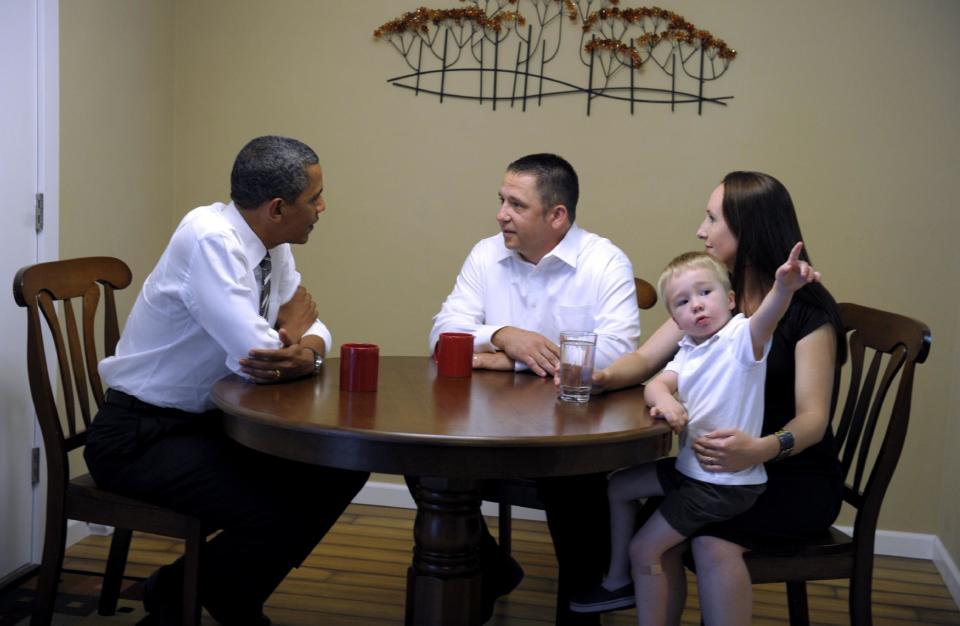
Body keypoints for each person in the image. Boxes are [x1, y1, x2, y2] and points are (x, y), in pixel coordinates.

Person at [84, 136, 369, 625]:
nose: (323, 207)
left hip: (206, 427)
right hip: (138, 438)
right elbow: (254, 357)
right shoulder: (211, 238)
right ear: (277, 208)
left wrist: (304, 347)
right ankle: (211, 594)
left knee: (342, 464)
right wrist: (293, 338)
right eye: (314, 198)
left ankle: (178, 589)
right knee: (278, 508)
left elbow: (311, 325)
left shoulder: (268, 244)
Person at [586, 171, 845, 624]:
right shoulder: (711, 296)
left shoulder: (807, 311)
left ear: (748, 227)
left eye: (711, 219)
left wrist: (760, 449)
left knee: (708, 541)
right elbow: (647, 360)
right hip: (712, 466)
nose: (700, 231)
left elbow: (813, 419)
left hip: (791, 474)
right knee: (647, 512)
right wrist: (599, 377)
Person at [426, 153, 642, 624]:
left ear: (556, 215)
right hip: (489, 430)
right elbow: (443, 334)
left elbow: (617, 354)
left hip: (570, 431)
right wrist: (506, 335)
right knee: (421, 461)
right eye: (501, 200)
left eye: (516, 204)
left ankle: (580, 607)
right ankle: (490, 568)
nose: (501, 213)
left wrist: (511, 363)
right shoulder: (486, 254)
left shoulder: (604, 261)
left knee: (574, 473)